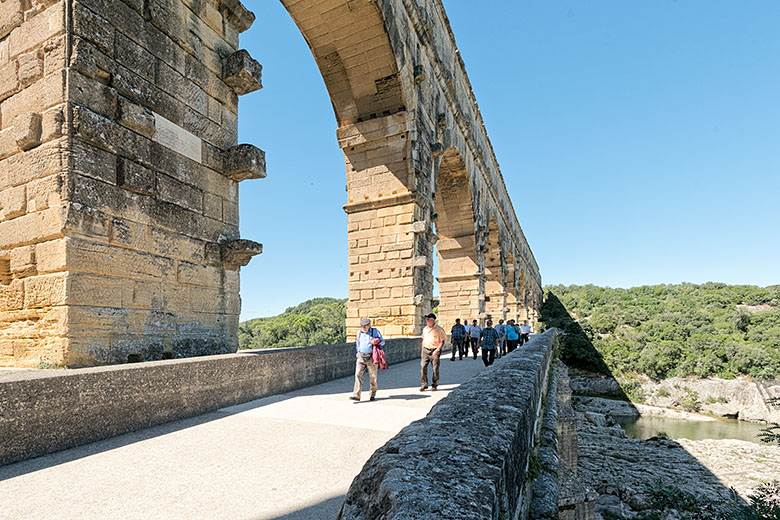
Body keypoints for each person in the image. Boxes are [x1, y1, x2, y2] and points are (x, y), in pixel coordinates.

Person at [351, 317, 384, 402]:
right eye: (362, 326)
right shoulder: (359, 332)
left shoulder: (375, 331)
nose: (364, 328)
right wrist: (358, 352)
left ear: (369, 325)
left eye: (365, 326)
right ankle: (356, 395)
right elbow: (357, 343)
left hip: (371, 357)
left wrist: (376, 341)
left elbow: (383, 342)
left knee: (373, 377)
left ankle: (372, 394)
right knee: (358, 374)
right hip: (361, 356)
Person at [420, 313, 447, 391]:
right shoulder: (425, 329)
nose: (427, 321)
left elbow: (442, 341)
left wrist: (437, 350)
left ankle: (434, 385)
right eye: (427, 319)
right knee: (423, 367)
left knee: (435, 368)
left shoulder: (439, 329)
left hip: (435, 350)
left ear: (433, 320)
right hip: (425, 350)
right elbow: (423, 339)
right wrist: (422, 349)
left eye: (428, 319)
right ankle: (424, 384)